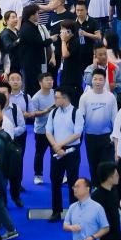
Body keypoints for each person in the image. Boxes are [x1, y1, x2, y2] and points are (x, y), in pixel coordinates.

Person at [46, 88, 84, 221]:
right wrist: (55, 146)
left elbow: (77, 133)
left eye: (57, 98)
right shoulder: (53, 112)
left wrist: (60, 144)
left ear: (65, 98)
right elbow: (48, 131)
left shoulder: (76, 112)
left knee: (73, 182)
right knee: (55, 180)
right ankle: (56, 211)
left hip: (71, 151)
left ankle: (74, 212)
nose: (55, 100)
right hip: (56, 150)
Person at [79, 69, 118, 178]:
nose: (97, 82)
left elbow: (115, 118)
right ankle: (95, 185)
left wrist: (115, 137)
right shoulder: (85, 97)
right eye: (95, 79)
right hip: (90, 136)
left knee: (106, 165)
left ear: (105, 81)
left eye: (100, 79)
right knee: (93, 164)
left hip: (106, 136)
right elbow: (80, 117)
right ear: (91, 80)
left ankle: (106, 185)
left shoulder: (111, 97)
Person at [27, 72, 56, 186]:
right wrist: (46, 111)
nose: (50, 82)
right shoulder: (36, 97)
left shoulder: (55, 93)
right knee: (40, 154)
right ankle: (38, 175)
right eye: (47, 80)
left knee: (56, 153)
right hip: (41, 131)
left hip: (54, 130)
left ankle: (59, 174)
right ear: (40, 82)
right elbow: (33, 113)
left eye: (51, 79)